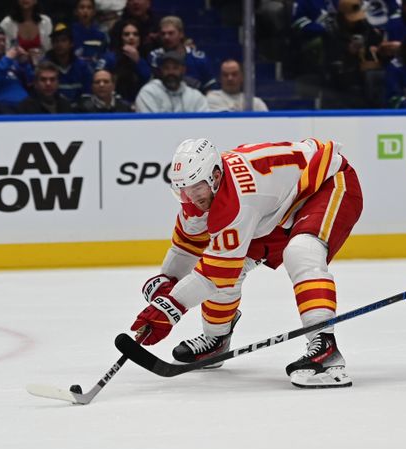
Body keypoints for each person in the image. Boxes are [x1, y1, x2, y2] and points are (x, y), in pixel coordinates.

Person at [130, 137, 363, 388]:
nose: (190, 196)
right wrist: (168, 281)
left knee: (301, 252)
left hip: (327, 183)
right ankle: (216, 340)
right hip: (278, 207)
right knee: (227, 264)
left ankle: (325, 349)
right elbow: (186, 247)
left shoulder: (240, 198)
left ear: (215, 177)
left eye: (196, 187)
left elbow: (217, 274)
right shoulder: (197, 198)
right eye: (183, 189)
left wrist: (172, 307)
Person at [148, 15, 217, 92]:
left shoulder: (199, 59)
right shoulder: (155, 56)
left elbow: (211, 88)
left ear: (181, 34)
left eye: (171, 33)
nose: (166, 37)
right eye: (163, 34)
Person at [134, 49, 209, 112]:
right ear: (161, 70)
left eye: (175, 68)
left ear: (183, 70)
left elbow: (205, 123)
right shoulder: (149, 92)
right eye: (166, 68)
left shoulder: (195, 96)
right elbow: (148, 124)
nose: (171, 72)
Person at [96, 18, 150, 103]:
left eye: (135, 34)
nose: (131, 37)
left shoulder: (145, 57)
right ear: (120, 38)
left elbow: (148, 80)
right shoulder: (109, 58)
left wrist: (138, 61)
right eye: (126, 34)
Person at [43, 23, 93, 104]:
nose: (59, 44)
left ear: (71, 43)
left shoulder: (82, 66)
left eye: (63, 40)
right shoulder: (45, 65)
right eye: (56, 41)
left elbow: (88, 95)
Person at [71, 0, 107, 67]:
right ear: (75, 11)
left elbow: (103, 55)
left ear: (94, 12)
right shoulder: (70, 33)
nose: (85, 11)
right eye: (82, 7)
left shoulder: (101, 34)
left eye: (89, 8)